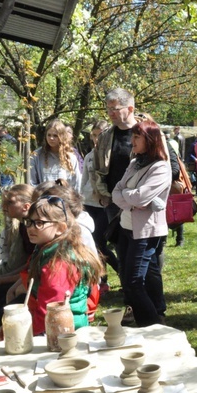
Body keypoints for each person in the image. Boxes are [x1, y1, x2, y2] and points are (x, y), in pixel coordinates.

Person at [4, 195, 104, 335]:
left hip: (62, 333)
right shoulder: (46, 249)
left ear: (60, 228)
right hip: (54, 327)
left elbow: (50, 312)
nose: (31, 228)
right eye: (29, 222)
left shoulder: (59, 264)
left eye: (39, 223)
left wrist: (16, 333)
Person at [112, 119, 172, 327]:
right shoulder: (134, 163)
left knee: (133, 282)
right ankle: (157, 313)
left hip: (145, 231)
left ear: (150, 140)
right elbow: (116, 193)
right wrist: (131, 198)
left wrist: (129, 197)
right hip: (126, 227)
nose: (132, 141)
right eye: (132, 136)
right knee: (147, 274)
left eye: (137, 137)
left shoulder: (161, 168)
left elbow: (140, 198)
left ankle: (150, 323)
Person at [0, 184, 35, 337]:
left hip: (32, 285)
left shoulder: (35, 229)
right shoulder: (25, 227)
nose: (4, 206)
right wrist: (1, 278)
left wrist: (2, 280)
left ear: (26, 206)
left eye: (10, 202)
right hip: (25, 279)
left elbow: (33, 268)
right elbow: (29, 263)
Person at [93, 88, 139, 223]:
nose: (110, 113)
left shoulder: (147, 134)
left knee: (136, 242)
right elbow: (95, 167)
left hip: (138, 201)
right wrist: (101, 193)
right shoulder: (105, 137)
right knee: (115, 242)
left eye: (115, 108)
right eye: (108, 109)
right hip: (112, 202)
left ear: (130, 109)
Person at [81, 120, 118, 292]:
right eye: (94, 135)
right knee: (95, 244)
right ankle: (102, 279)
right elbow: (84, 182)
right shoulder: (89, 155)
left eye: (100, 134)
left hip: (105, 204)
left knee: (100, 243)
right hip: (89, 204)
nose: (97, 138)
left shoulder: (111, 155)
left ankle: (121, 272)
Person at [29, 120, 81, 191]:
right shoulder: (36, 155)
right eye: (49, 135)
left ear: (62, 136)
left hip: (65, 199)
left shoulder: (70, 157)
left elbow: (76, 183)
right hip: (43, 198)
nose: (51, 138)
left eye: (55, 136)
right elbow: (31, 183)